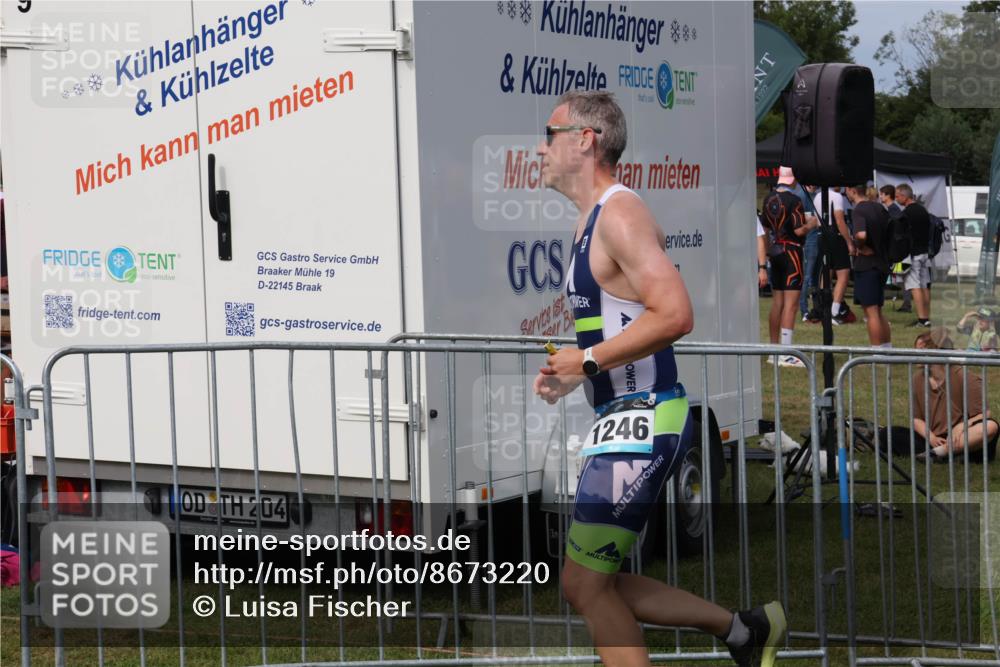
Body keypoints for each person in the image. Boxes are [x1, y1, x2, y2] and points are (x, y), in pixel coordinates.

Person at [533, 90, 786, 667]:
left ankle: (744, 633)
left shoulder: (620, 213)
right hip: (623, 420)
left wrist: (589, 361)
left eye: (549, 133)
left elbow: (675, 314)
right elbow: (620, 320)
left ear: (585, 140)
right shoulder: (588, 220)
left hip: (643, 420)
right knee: (588, 582)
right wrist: (574, 372)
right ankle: (745, 632)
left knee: (587, 585)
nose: (541, 146)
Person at [877, 329, 998, 462]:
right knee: (887, 433)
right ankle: (939, 454)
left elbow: (983, 414)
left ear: (937, 351)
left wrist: (961, 426)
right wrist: (931, 438)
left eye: (920, 350)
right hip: (934, 439)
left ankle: (941, 453)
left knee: (991, 426)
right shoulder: (918, 378)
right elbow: (916, 419)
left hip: (964, 437)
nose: (913, 354)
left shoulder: (964, 377)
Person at [762, 168, 819, 368]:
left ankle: (773, 350)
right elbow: (798, 230)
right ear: (793, 180)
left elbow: (766, 228)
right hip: (792, 253)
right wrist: (811, 224)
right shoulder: (794, 200)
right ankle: (786, 352)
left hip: (774, 252)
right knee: (791, 304)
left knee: (777, 302)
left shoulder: (768, 198)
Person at [844, 185, 891, 347]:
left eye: (847, 190)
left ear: (853, 191)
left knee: (871, 313)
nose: (846, 193)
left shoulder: (859, 210)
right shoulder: (880, 208)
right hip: (882, 263)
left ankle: (877, 352)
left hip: (866, 265)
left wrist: (859, 246)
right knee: (878, 310)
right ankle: (887, 349)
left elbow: (861, 234)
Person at [806, 185, 855, 325]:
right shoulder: (837, 196)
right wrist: (849, 242)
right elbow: (839, 220)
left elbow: (815, 220)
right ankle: (834, 311)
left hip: (821, 235)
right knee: (843, 274)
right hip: (835, 235)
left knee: (826, 272)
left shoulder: (818, 196)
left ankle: (822, 308)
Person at [896, 184, 932, 326]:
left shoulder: (906, 213)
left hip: (912, 254)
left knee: (914, 285)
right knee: (924, 285)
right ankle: (927, 317)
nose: (897, 199)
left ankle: (922, 319)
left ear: (904, 196)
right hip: (924, 253)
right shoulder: (923, 210)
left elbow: (902, 236)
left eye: (898, 196)